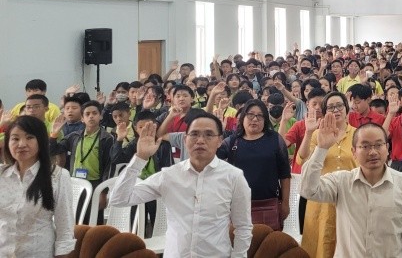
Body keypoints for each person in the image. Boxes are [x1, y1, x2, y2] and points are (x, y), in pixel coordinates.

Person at [109, 112, 253, 257]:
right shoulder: (169, 176)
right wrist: (140, 158)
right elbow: (118, 199)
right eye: (194, 134)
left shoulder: (233, 177)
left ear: (220, 140)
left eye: (209, 135)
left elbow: (243, 227)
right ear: (185, 139)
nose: (200, 140)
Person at [299, 121, 402, 257]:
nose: (372, 152)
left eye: (378, 145)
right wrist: (322, 148)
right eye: (365, 146)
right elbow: (308, 190)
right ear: (354, 152)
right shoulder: (342, 182)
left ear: (387, 148)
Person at [0, 116, 74, 257]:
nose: (21, 144)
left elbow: (65, 228)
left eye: (29, 137)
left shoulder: (57, 176)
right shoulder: (2, 175)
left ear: (41, 141)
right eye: (15, 139)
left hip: (37, 253)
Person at [295, 91, 358, 258]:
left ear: (347, 109)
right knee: (321, 243)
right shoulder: (318, 134)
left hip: (350, 199)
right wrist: (309, 133)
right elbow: (302, 159)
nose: (335, 110)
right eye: (330, 107)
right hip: (320, 200)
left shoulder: (358, 135)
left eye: (339, 106)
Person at [217, 99, 291, 230]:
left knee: (268, 247)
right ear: (243, 117)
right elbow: (212, 160)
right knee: (240, 247)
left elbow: (285, 174)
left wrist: (285, 203)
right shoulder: (232, 142)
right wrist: (217, 131)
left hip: (269, 205)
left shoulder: (275, 140)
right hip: (237, 207)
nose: (255, 119)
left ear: (265, 119)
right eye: (250, 115)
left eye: (260, 115)